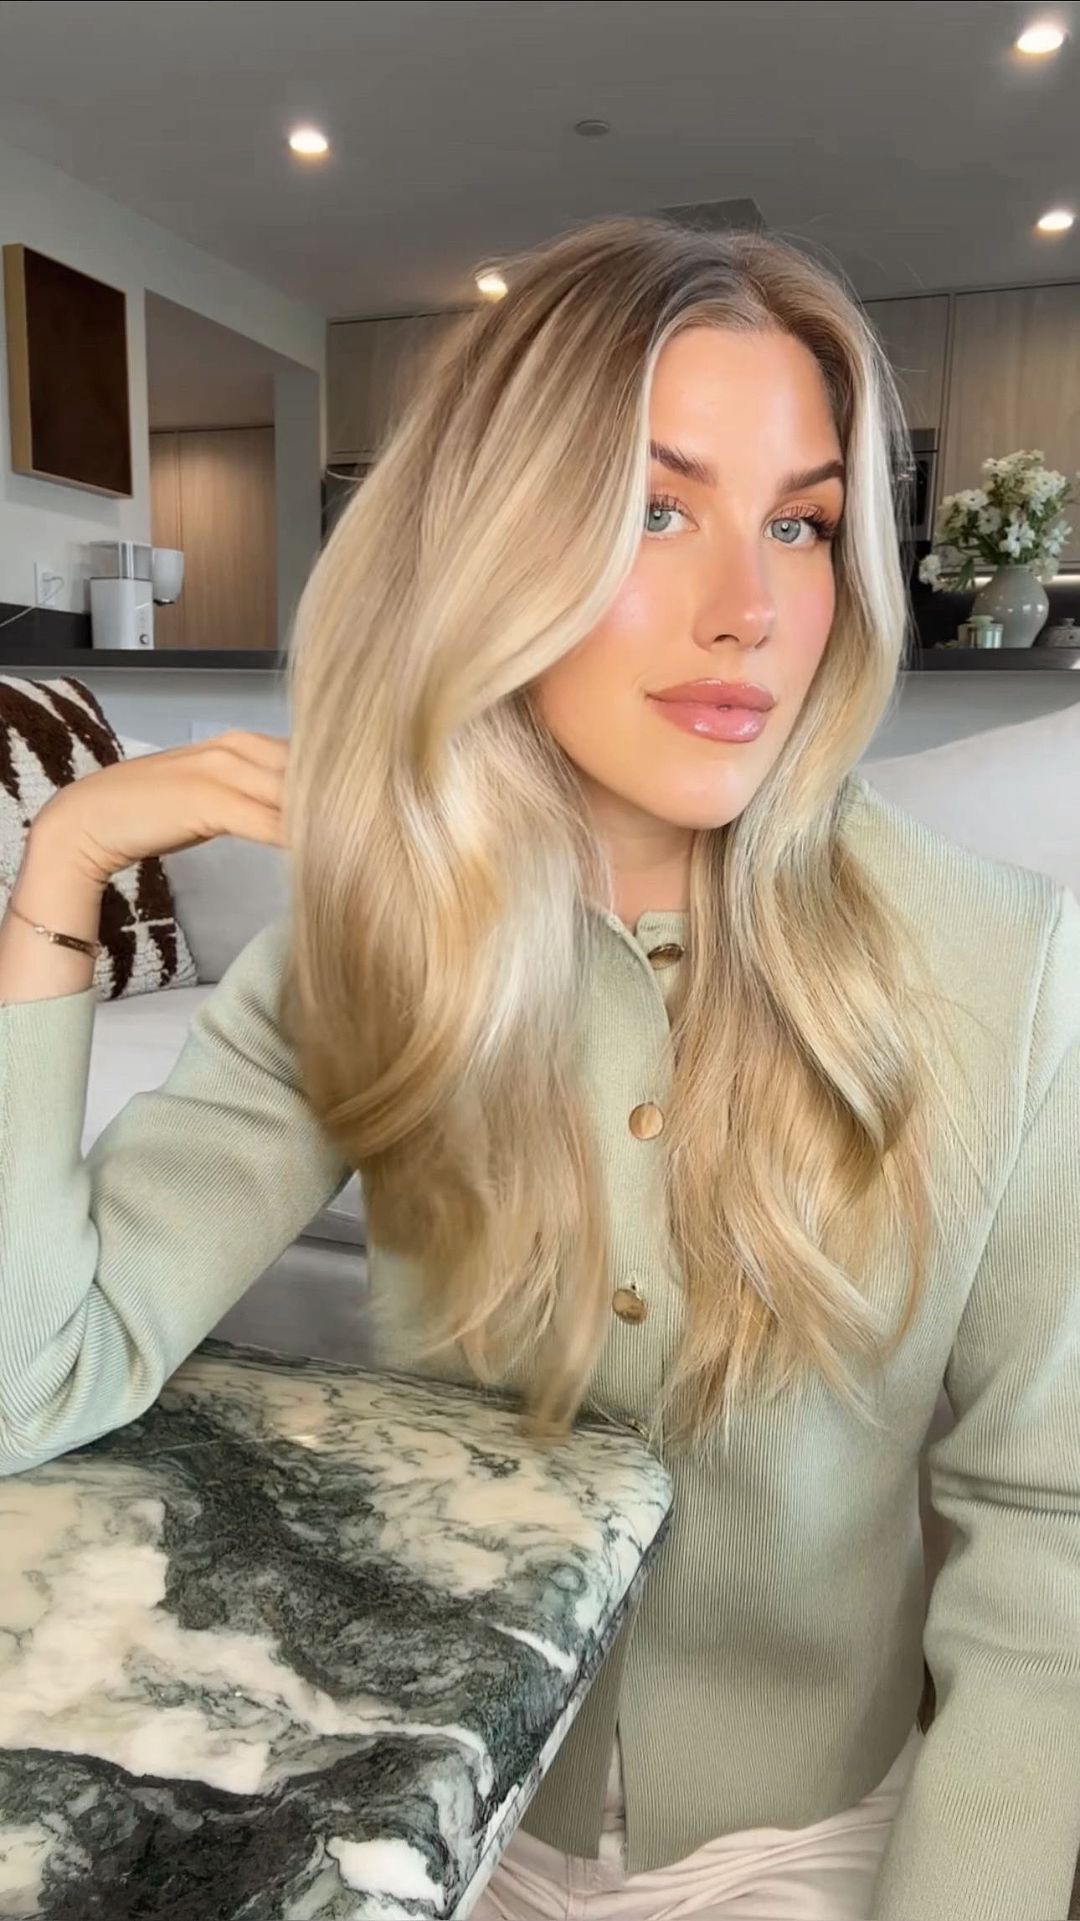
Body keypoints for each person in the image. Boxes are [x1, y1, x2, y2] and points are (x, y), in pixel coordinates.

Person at [0, 216, 1077, 1921]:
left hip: (812, 1852)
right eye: (655, 508)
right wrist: (57, 877)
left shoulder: (1007, 968)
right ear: (497, 544)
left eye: (798, 523)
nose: (749, 612)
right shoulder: (371, 945)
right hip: (427, 1816)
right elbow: (35, 1377)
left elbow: (1047, 1555)